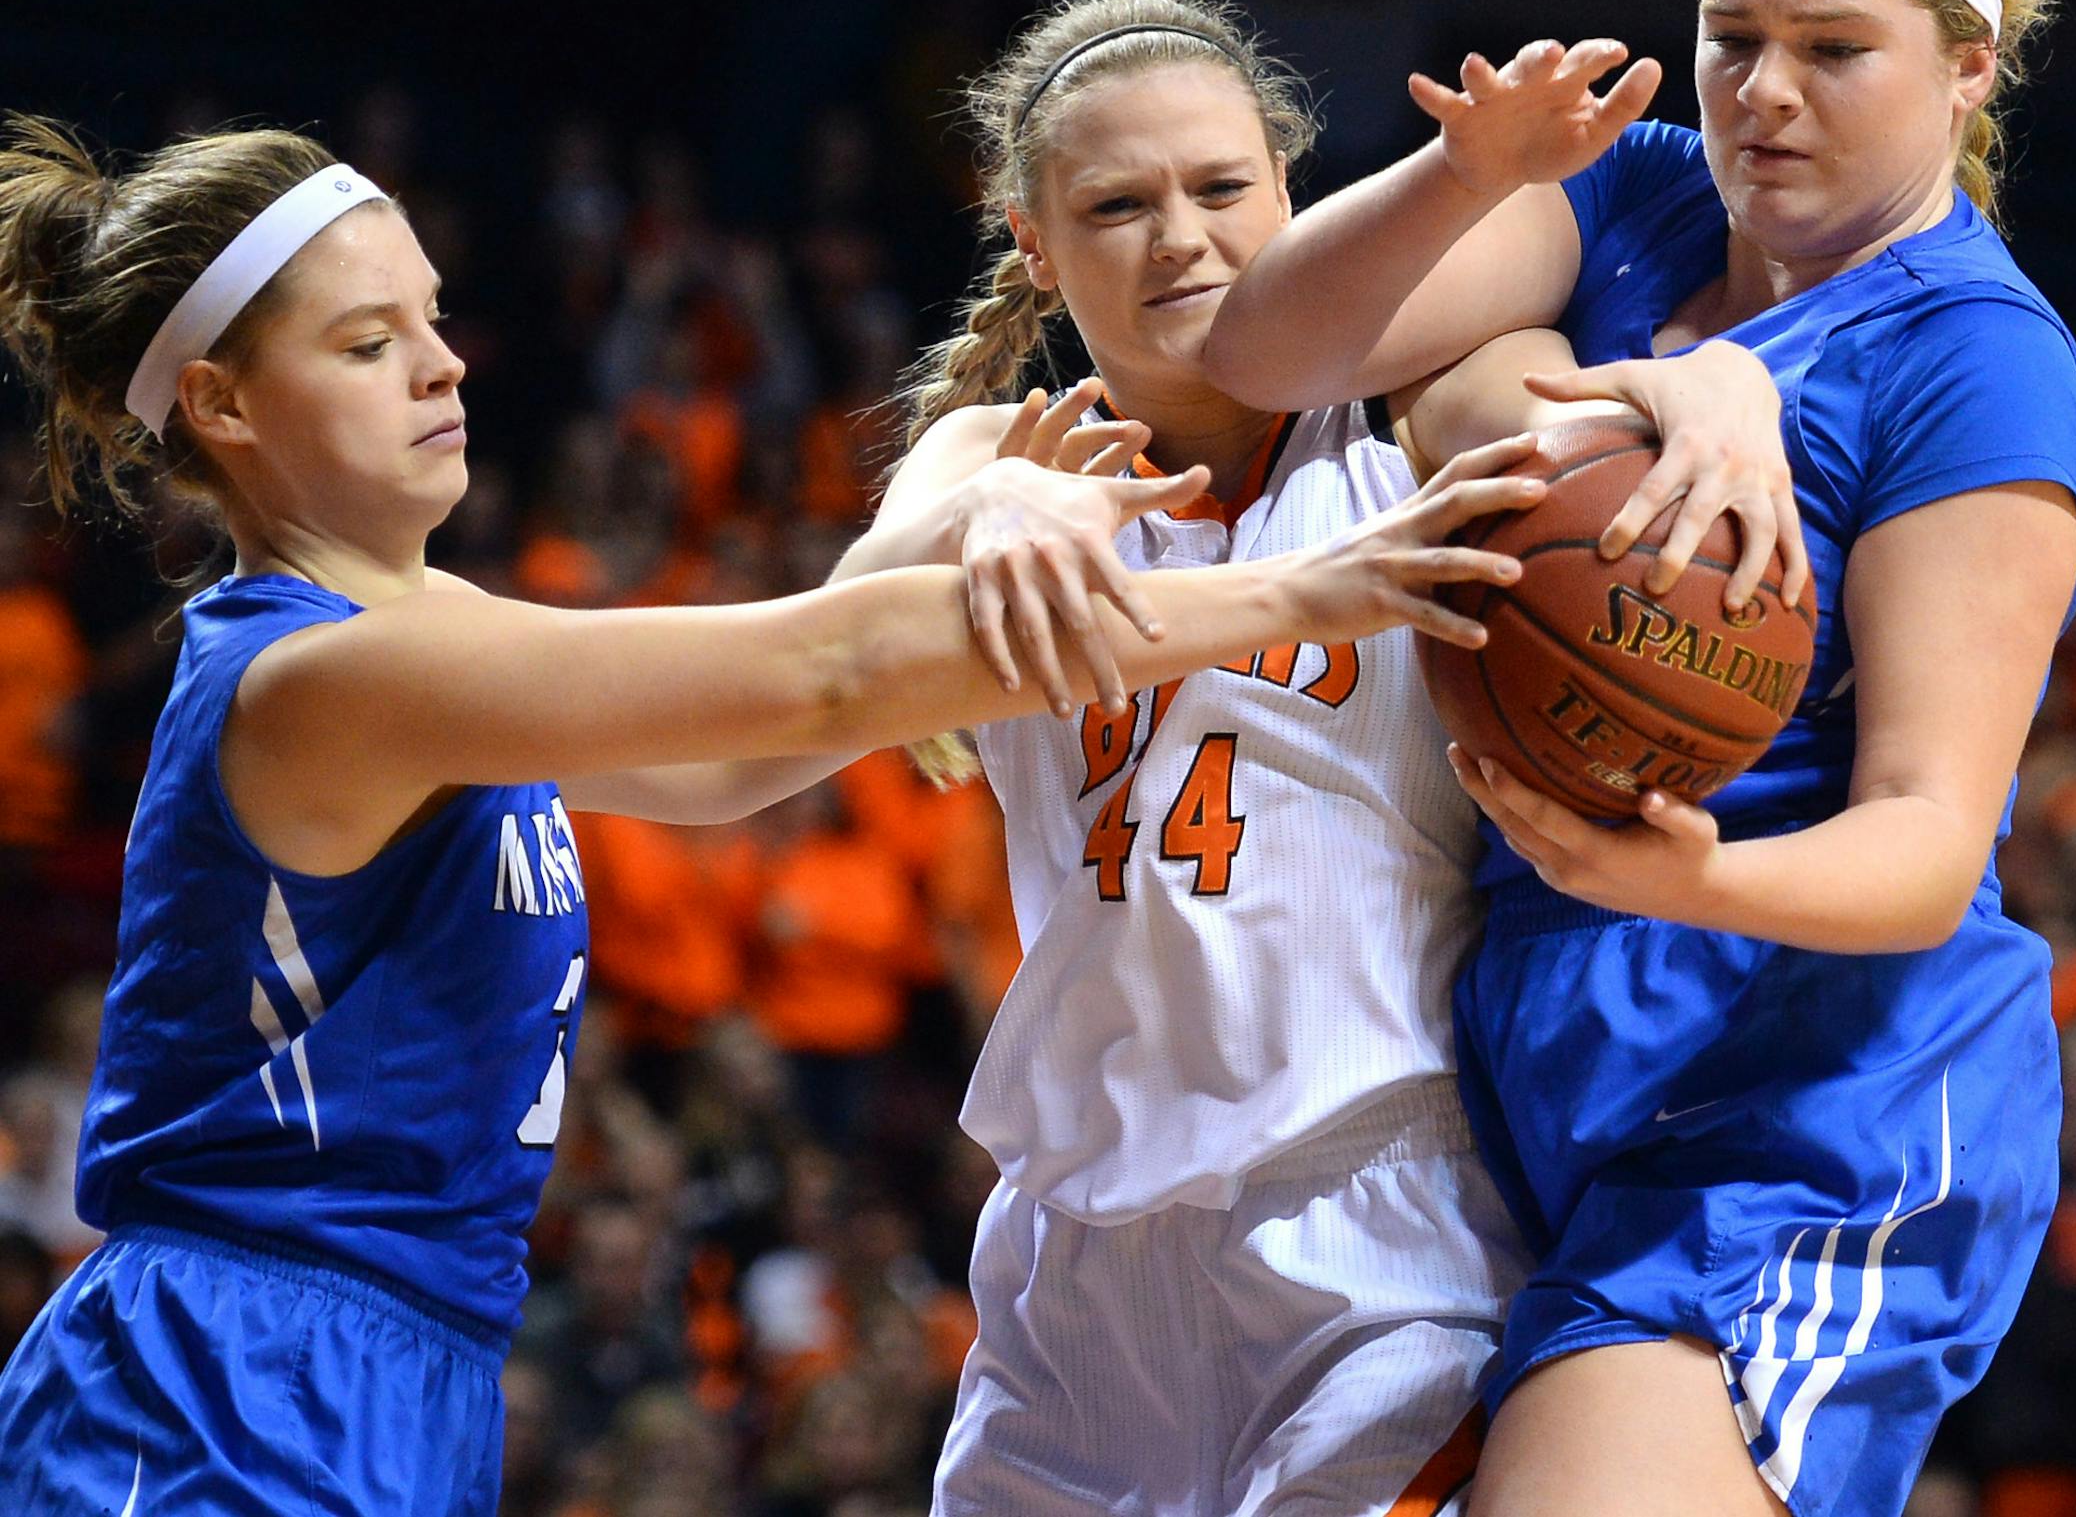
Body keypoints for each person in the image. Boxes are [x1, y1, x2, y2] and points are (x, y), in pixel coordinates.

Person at [0, 116, 1545, 1516]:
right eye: (365, 342)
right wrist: (1309, 588)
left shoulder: (437, 633)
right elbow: (821, 678)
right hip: (226, 1366)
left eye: (432, 316)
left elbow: (732, 764)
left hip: (409, 1360)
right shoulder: (324, 674)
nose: (444, 365)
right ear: (221, 404)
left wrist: (953, 512)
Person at [1203, 0, 2076, 1517]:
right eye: (1734, 40)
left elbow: (1928, 841)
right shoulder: (1641, 193)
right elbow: (1266, 349)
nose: (1763, 91)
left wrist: (1700, 869)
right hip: (1559, 1044)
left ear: (1971, 68)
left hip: (1816, 1090)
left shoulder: (1978, 363)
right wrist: (1504, 220)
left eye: (1835, 50)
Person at [850, 0, 1804, 1516]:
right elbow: (827, 650)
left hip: (1371, 1217)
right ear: (1031, 243)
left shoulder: (1412, 419)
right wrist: (984, 503)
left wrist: (1720, 381)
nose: (1182, 238)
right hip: (1068, 1259)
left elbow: (1581, 436)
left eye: (1223, 189)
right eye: (1117, 204)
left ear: (1293, 194)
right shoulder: (996, 461)